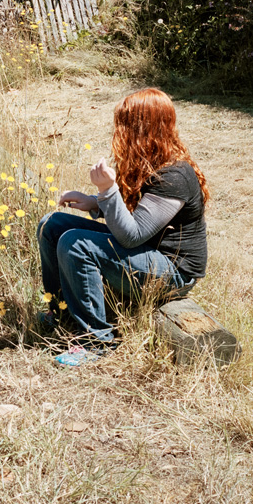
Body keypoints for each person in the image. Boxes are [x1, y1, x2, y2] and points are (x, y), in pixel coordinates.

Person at [37, 87, 209, 367]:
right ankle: (62, 312)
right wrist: (94, 201)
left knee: (76, 244)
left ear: (146, 129)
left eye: (124, 125)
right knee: (52, 225)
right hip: (147, 251)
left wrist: (106, 190)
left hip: (174, 272)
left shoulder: (175, 176)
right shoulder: (150, 162)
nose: (118, 133)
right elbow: (136, 218)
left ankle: (96, 341)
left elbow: (132, 235)